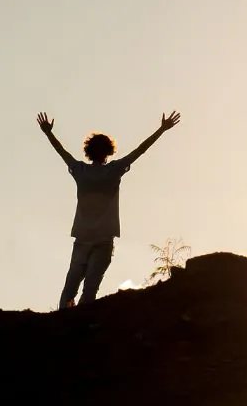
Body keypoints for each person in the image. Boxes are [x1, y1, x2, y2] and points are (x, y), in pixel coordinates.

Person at [36, 109, 181, 309]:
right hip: (103, 240)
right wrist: (162, 129)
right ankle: (80, 330)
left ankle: (64, 326)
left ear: (88, 151)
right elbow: (140, 150)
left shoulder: (81, 170)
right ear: (108, 151)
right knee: (90, 290)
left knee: (70, 289)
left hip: (82, 239)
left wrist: (48, 133)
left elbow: (62, 152)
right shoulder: (113, 170)